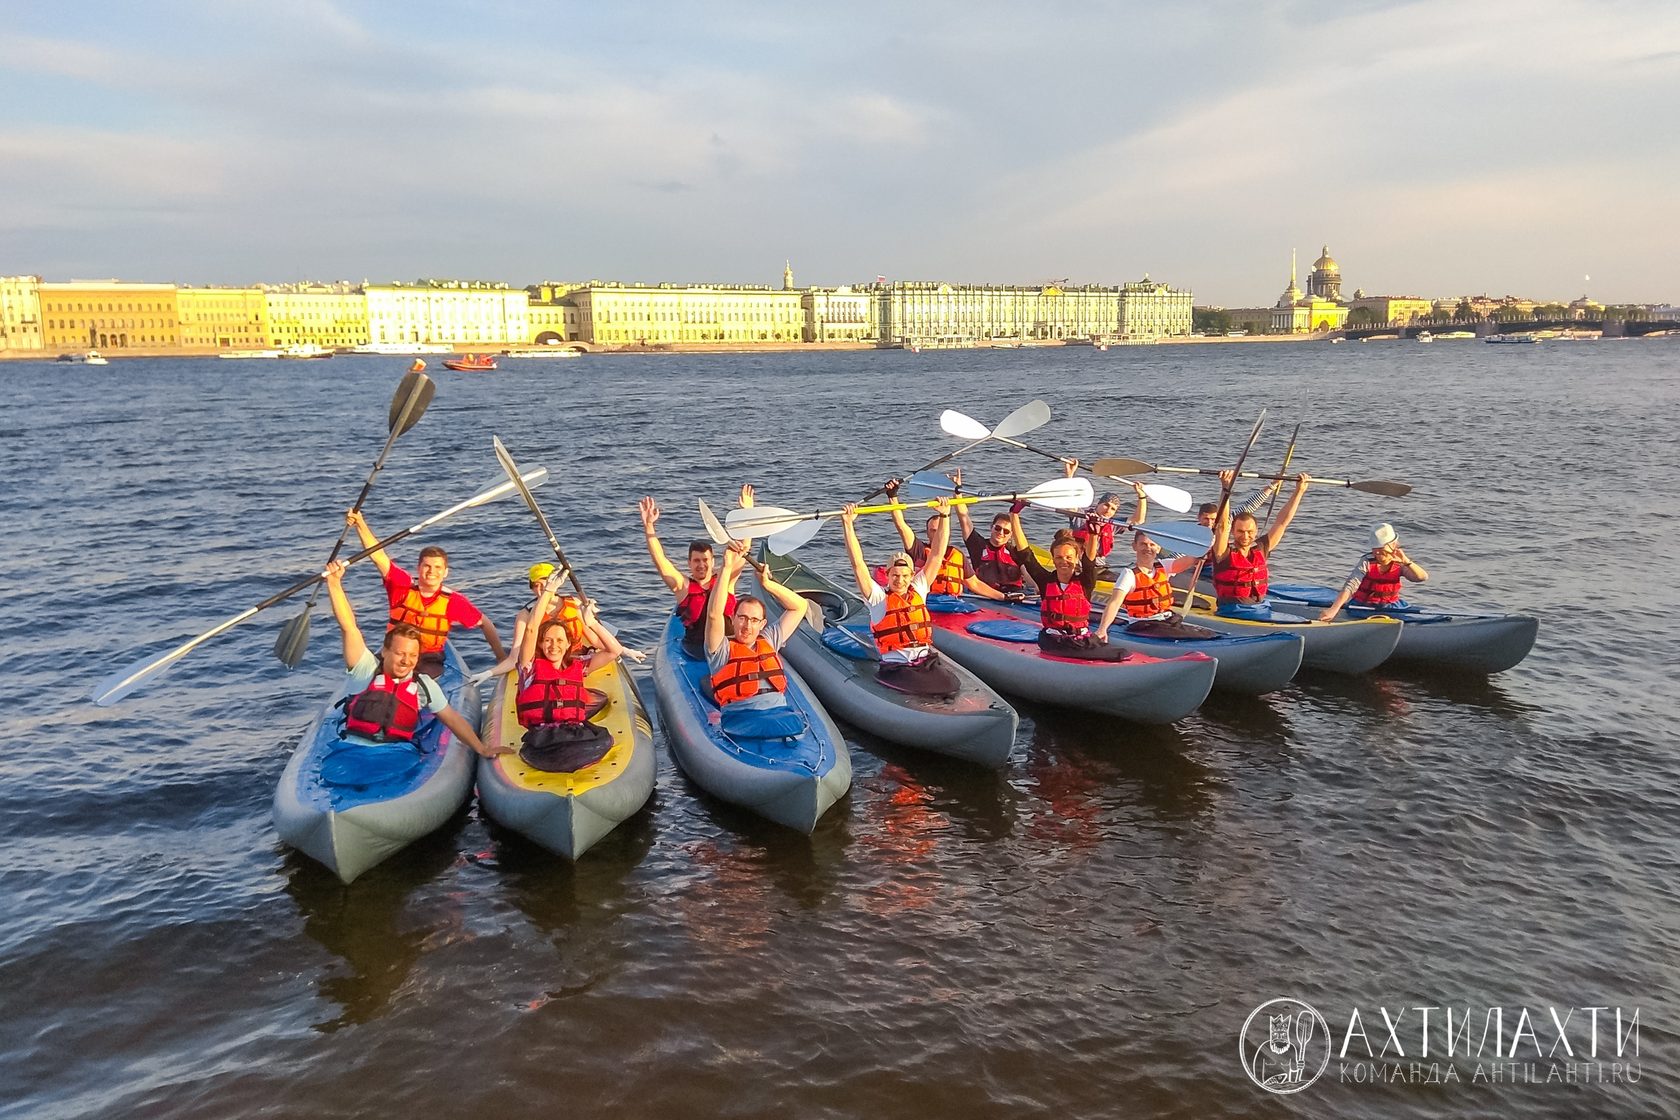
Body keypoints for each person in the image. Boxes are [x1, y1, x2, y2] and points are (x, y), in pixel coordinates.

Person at [321, 560, 498, 757]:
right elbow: (348, 626)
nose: (407, 661)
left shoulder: (423, 685)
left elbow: (452, 720)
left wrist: (482, 749)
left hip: (396, 755)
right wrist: (334, 584)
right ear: (385, 652)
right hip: (350, 752)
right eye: (400, 653)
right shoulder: (365, 670)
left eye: (413, 655)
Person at [346, 509, 505, 678]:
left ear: (445, 572)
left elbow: (484, 623)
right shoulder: (402, 587)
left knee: (420, 681)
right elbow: (378, 556)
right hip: (396, 653)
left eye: (437, 568)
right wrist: (360, 524)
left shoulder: (453, 601)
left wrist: (501, 657)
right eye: (427, 566)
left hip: (429, 660)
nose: (431, 572)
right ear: (419, 568)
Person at [840, 498, 962, 696]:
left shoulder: (919, 588)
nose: (900, 580)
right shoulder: (877, 597)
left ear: (912, 576)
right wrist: (848, 524)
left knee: (951, 685)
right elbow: (857, 564)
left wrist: (945, 515)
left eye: (905, 576)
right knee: (933, 688)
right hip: (897, 668)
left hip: (926, 661)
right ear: (887, 574)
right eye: (895, 575)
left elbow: (937, 554)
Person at [514, 572, 626, 771]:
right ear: (540, 643)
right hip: (543, 740)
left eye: (559, 641)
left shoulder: (579, 667)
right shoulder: (529, 667)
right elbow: (531, 629)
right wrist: (548, 592)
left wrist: (591, 624)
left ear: (568, 645)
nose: (553, 646)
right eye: (547, 640)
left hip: (575, 734)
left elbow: (614, 651)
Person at [705, 541, 812, 737]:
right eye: (742, 618)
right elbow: (714, 614)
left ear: (762, 624)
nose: (747, 626)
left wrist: (767, 584)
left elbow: (799, 606)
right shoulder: (720, 650)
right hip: (740, 719)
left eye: (754, 620)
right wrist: (726, 567)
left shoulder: (770, 639)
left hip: (780, 714)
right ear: (733, 619)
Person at [641, 490, 747, 658]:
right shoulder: (682, 587)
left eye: (705, 560)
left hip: (727, 646)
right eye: (696, 561)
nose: (701, 565)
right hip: (696, 650)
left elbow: (743, 552)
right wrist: (649, 528)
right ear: (689, 563)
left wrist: (746, 513)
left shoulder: (725, 580)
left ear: (713, 562)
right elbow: (660, 560)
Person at [1008, 509, 1126, 661]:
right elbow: (1026, 554)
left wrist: (1093, 533)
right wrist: (1014, 515)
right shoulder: (1045, 580)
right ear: (1053, 559)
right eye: (1059, 557)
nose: (1064, 561)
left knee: (1121, 653)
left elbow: (1089, 562)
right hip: (1053, 640)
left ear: (1077, 558)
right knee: (1116, 654)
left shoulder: (1085, 582)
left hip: (1079, 638)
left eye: (1069, 557)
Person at [884, 477, 1008, 601]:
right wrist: (892, 496)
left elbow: (975, 584)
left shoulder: (957, 555)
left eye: (940, 529)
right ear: (927, 533)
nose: (937, 533)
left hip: (953, 604)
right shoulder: (918, 550)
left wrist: (1004, 597)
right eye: (933, 530)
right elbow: (901, 525)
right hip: (928, 602)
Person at [1208, 471, 1311, 618]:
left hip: (1260, 608)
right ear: (1233, 532)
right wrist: (1226, 488)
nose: (1245, 536)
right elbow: (1222, 526)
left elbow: (1282, 522)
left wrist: (1299, 491)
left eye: (1250, 531)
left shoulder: (1261, 548)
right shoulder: (1223, 552)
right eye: (1240, 531)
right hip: (1232, 610)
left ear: (1256, 530)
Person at [1094, 527, 1206, 642]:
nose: (1148, 548)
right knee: (1192, 636)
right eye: (1143, 544)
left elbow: (1188, 561)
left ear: (1158, 548)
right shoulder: (1129, 575)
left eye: (1152, 545)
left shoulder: (1164, 566)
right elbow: (1114, 602)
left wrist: (1203, 548)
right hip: (1143, 625)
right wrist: (1103, 629)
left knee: (1205, 633)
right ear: (1134, 546)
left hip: (1166, 620)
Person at [1316, 523, 1429, 620]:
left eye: (1381, 549)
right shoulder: (1366, 561)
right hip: (1362, 607)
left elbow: (1421, 577)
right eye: (1375, 549)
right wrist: (1334, 609)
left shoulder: (1400, 563)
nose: (1378, 553)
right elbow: (1350, 586)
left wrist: (1407, 562)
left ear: (1393, 545)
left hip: (1390, 607)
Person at [1060, 459, 1147, 561]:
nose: (1108, 510)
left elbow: (1138, 520)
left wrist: (1142, 496)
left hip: (1100, 566)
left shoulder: (1112, 524)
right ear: (1098, 504)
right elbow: (1070, 503)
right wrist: (1069, 475)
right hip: (1079, 565)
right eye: (1106, 505)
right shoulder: (1082, 516)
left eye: (1113, 509)